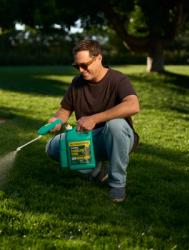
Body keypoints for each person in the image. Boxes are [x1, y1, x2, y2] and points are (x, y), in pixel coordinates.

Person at [45, 39, 140, 202]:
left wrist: (94, 119)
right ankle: (97, 171)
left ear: (98, 58)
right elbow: (64, 111)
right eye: (76, 66)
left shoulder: (118, 79)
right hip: (89, 138)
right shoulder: (77, 83)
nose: (81, 70)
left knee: (115, 125)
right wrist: (56, 120)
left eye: (84, 65)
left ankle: (117, 185)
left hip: (119, 138)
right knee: (53, 147)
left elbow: (133, 105)